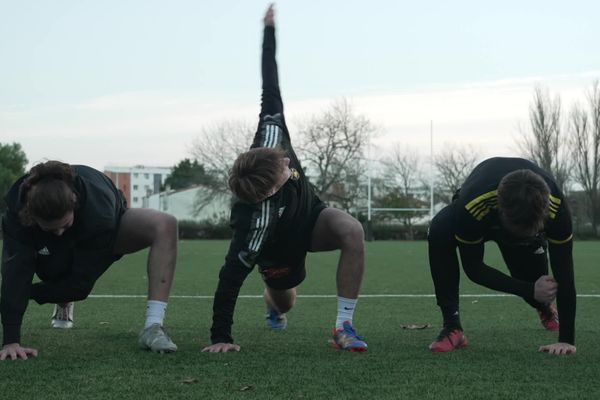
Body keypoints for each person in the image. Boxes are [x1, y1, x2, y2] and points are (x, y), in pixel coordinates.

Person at [201, 4, 367, 353]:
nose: (289, 163)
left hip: (311, 215)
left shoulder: (272, 130)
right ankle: (271, 302)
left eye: (282, 162)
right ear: (269, 192)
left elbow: (269, 79)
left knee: (351, 229)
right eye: (283, 172)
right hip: (279, 245)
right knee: (285, 302)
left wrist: (269, 31)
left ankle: (344, 326)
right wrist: (221, 338)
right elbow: (230, 277)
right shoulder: (254, 223)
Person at [0, 161, 178, 360]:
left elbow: (80, 285)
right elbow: (15, 270)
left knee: (166, 224)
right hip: (50, 235)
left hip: (111, 222)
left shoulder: (100, 213)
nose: (59, 233)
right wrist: (11, 340)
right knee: (48, 264)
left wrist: (29, 292)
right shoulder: (17, 212)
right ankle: (59, 295)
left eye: (64, 225)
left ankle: (153, 326)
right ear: (30, 216)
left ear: (75, 200)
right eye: (51, 229)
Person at [427, 157, 576, 355]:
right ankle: (452, 326)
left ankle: (544, 307)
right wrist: (530, 289)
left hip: (524, 228)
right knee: (439, 229)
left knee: (537, 285)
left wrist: (566, 340)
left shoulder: (557, 208)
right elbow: (473, 268)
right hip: (484, 219)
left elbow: (565, 274)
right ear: (501, 212)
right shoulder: (473, 205)